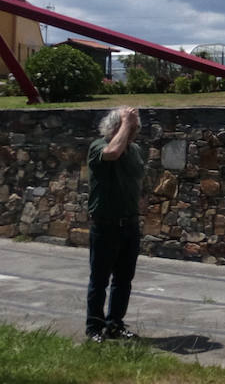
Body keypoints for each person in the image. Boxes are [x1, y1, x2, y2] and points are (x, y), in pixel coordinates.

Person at [86, 106, 144, 342]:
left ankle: (115, 325)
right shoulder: (99, 147)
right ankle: (94, 328)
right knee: (99, 279)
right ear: (115, 128)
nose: (134, 132)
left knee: (123, 280)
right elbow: (112, 152)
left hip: (129, 223)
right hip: (105, 224)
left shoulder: (135, 150)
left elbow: (136, 177)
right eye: (130, 127)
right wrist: (125, 123)